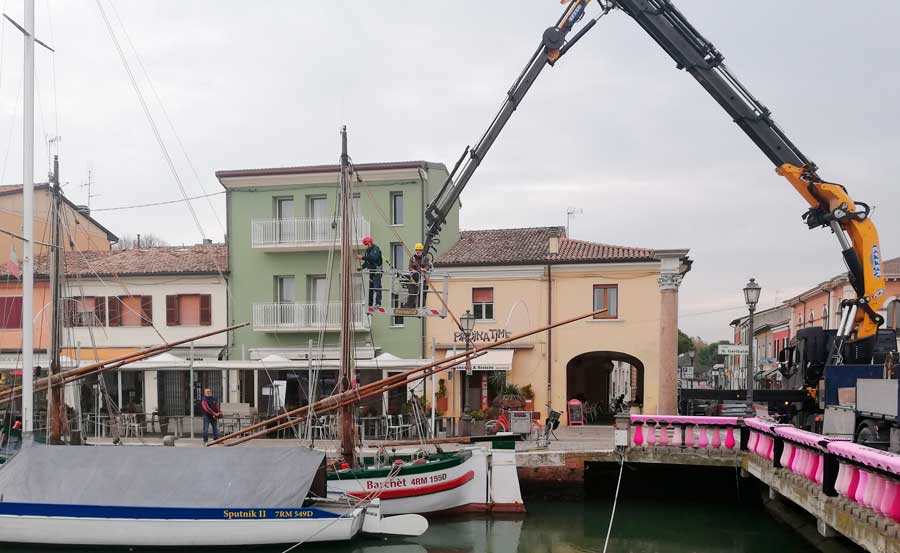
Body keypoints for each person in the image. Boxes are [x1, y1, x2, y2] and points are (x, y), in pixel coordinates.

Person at [356, 236, 383, 308]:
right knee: (370, 288)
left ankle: (378, 303)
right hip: (370, 271)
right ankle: (370, 304)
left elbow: (373, 258)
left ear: (370, 243)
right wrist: (361, 267)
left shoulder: (375, 249)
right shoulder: (367, 252)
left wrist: (362, 257)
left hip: (377, 271)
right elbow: (367, 262)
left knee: (377, 286)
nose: (364, 246)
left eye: (365, 244)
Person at [405, 243, 432, 308]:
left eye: (419, 250)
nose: (418, 251)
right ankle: (409, 305)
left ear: (422, 251)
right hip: (413, 278)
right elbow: (410, 267)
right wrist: (413, 270)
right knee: (412, 292)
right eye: (417, 250)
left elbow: (428, 265)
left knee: (422, 291)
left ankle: (422, 305)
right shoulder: (412, 259)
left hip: (423, 278)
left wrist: (424, 269)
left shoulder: (425, 258)